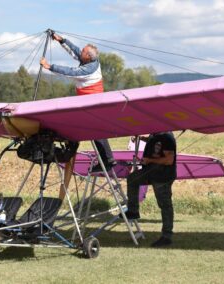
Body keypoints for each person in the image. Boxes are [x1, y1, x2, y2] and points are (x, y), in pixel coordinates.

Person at [40, 33, 115, 172]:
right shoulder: (87, 59)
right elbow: (75, 51)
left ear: (88, 56)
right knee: (96, 132)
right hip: (87, 102)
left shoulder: (88, 69)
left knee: (96, 132)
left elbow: (70, 72)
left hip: (93, 103)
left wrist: (49, 67)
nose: (81, 52)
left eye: (84, 51)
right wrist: (62, 40)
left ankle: (107, 160)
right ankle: (108, 159)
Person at [126, 132, 177, 247]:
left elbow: (169, 160)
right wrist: (141, 138)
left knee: (165, 205)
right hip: (150, 172)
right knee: (132, 179)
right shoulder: (155, 135)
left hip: (163, 176)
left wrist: (149, 160)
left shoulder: (167, 137)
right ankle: (133, 210)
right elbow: (154, 142)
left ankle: (166, 236)